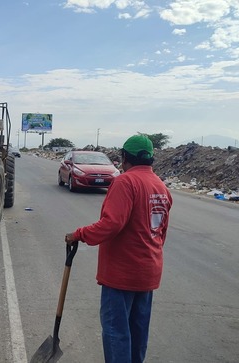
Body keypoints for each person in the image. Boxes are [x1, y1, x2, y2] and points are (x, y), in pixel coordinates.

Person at [64, 134, 172, 363]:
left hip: (123, 273)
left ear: (125, 157)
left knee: (116, 332)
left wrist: (79, 234)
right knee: (138, 331)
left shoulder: (125, 182)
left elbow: (111, 224)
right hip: (148, 271)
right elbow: (161, 231)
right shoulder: (160, 186)